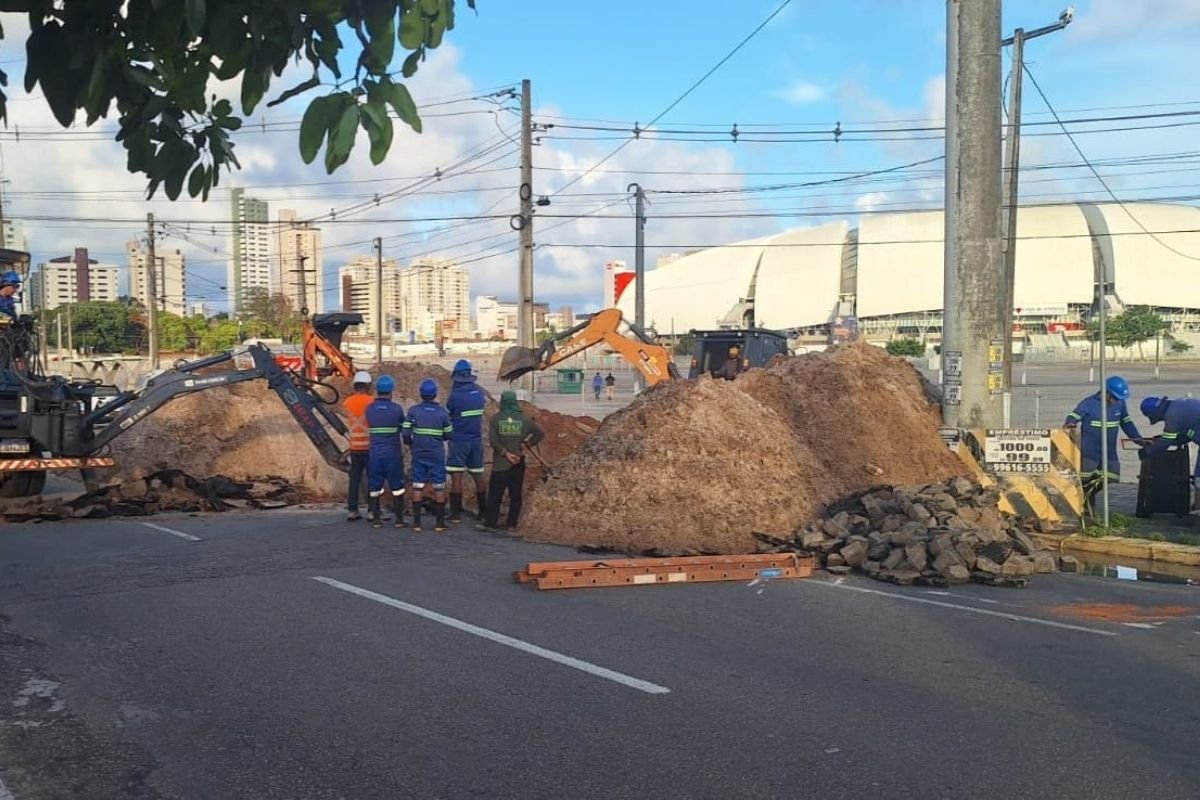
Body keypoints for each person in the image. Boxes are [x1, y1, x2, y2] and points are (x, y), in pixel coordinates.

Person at [1063, 375, 1146, 509]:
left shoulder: (1120, 404)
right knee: (1083, 480)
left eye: (1119, 399)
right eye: (1114, 398)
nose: (1116, 401)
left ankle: (1089, 495)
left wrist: (1138, 439)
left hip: (1109, 452)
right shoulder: (1089, 403)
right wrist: (1070, 423)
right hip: (1090, 452)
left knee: (1112, 476)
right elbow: (1075, 415)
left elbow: (1126, 422)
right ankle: (1083, 506)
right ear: (1106, 393)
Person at [482, 390, 544, 532]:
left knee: (495, 494)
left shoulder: (496, 419)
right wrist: (526, 444)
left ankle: (491, 522)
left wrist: (506, 454)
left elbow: (493, 441)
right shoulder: (524, 419)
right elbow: (539, 433)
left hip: (500, 464)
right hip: (518, 462)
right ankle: (512, 523)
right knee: (515, 494)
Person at [404, 378, 453, 532]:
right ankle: (439, 523)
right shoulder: (442, 412)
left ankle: (417, 523)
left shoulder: (413, 411)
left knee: (418, 485)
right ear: (435, 394)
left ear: (421, 394)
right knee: (439, 486)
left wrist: (411, 444)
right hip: (436, 453)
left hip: (419, 452)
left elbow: (406, 433)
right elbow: (449, 434)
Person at [446, 359, 488, 523]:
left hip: (459, 439)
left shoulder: (455, 396)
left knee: (457, 475)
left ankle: (455, 514)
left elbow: (449, 412)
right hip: (476, 439)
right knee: (478, 475)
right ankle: (483, 512)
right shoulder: (479, 394)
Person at [365, 374, 408, 529]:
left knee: (375, 486)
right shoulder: (396, 409)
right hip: (392, 453)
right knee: (397, 487)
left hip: (375, 453)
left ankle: (376, 519)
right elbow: (403, 428)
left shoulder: (369, 409)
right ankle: (399, 519)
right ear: (391, 391)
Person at [1140, 395, 1200, 489]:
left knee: (1199, 481)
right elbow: (1185, 436)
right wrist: (1162, 439)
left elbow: (1166, 442)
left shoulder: (1172, 415)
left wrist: (1147, 451)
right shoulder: (1177, 405)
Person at [342, 370, 373, 521]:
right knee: (372, 477)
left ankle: (352, 510)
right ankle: (372, 510)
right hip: (369, 446)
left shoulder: (347, 402)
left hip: (354, 447)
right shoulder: (372, 402)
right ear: (368, 385)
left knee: (354, 478)